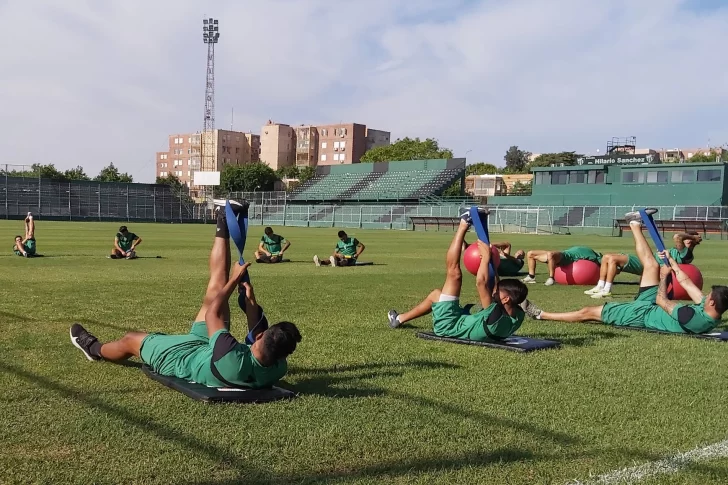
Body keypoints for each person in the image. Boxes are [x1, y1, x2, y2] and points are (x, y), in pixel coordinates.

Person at [70, 200, 302, 389]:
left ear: (262, 340)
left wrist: (235, 279)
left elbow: (213, 314)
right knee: (215, 287)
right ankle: (222, 219)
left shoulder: (232, 356)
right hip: (209, 349)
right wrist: (250, 300)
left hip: (182, 359)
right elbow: (256, 330)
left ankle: (94, 349)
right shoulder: (276, 367)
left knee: (131, 339)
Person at [523, 209, 728, 335]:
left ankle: (541, 315)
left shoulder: (693, 317)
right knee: (652, 266)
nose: (705, 296)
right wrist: (673, 264)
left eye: (708, 296)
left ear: (712, 302)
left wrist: (666, 276)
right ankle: (635, 222)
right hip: (652, 306)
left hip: (641, 315)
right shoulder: (711, 310)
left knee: (588, 312)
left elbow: (662, 301)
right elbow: (686, 283)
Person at [387, 210, 529, 341]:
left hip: (448, 326)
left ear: (505, 299)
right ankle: (399, 319)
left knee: (454, 274)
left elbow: (481, 282)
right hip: (465, 319)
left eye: (497, 291)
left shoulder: (495, 314)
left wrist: (486, 258)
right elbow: (495, 286)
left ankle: (463, 223)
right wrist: (493, 264)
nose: (494, 291)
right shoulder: (517, 314)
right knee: (436, 295)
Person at [585, 232, 702, 298]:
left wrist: (693, 238)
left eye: (688, 240)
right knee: (606, 257)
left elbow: (677, 237)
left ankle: (607, 289)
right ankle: (599, 286)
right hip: (647, 260)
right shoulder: (677, 249)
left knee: (613, 260)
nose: (685, 241)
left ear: (691, 243)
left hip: (650, 266)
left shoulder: (686, 253)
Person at [521, 246, 602, 286]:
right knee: (530, 253)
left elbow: (599, 261)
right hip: (564, 254)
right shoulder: (590, 252)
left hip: (566, 258)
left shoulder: (591, 254)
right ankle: (531, 276)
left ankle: (551, 278)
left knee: (550, 254)